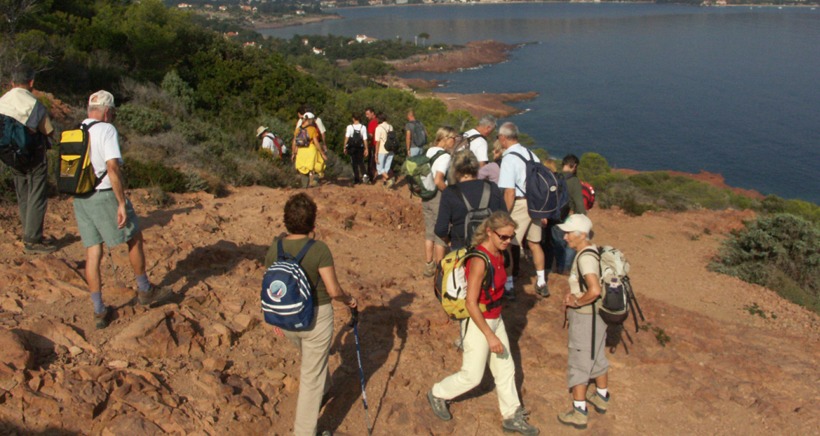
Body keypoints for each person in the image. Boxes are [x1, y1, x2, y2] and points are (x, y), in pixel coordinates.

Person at [427, 211, 539, 436]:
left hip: (495, 318)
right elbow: (470, 303)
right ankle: (438, 393)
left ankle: (511, 415)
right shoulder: (479, 260)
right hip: (479, 323)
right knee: (472, 375)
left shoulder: (499, 254)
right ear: (489, 232)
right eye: (503, 237)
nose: (508, 242)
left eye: (511, 237)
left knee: (506, 367)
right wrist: (489, 335)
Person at [73, 91, 174, 329]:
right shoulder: (106, 130)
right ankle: (145, 289)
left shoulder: (75, 130)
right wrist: (120, 202)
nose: (114, 116)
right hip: (104, 195)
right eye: (114, 112)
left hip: (80, 197)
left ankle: (99, 311)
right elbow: (112, 167)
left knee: (93, 252)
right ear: (107, 111)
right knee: (134, 238)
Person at [265, 192, 358, 436]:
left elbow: (272, 285)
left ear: (286, 220)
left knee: (312, 361)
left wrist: (275, 316)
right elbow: (332, 289)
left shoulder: (274, 248)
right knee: (310, 378)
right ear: (313, 223)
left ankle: (325, 386)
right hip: (315, 317)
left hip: (284, 318)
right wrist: (349, 300)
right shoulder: (319, 249)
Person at [557, 214, 609, 430]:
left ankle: (579, 412)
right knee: (597, 354)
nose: (565, 236)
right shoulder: (593, 251)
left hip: (586, 317)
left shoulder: (585, 257)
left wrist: (577, 302)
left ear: (582, 235)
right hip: (599, 316)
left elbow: (594, 289)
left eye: (569, 233)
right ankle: (601, 397)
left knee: (579, 361)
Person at [0, 68, 56, 254]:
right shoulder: (34, 104)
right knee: (36, 195)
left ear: (12, 83)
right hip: (33, 156)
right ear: (31, 82)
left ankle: (28, 232)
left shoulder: (2, 101)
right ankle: (33, 240)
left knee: (22, 193)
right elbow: (48, 131)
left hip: (9, 156)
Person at [497, 122, 549, 297]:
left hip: (520, 204)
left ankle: (509, 286)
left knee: (510, 245)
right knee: (535, 243)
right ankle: (541, 282)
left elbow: (509, 192)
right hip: (536, 203)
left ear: (503, 138)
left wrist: (503, 214)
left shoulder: (509, 158)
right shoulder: (531, 155)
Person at [435, 149, 506, 251]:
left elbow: (440, 229)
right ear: (476, 167)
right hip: (489, 249)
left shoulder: (450, 192)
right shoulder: (492, 187)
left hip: (461, 249)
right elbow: (504, 219)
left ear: (455, 170)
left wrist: (449, 241)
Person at [421, 127, 457, 277]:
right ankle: (440, 270)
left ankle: (429, 265)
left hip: (426, 195)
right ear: (445, 138)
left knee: (430, 231)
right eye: (453, 138)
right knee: (441, 232)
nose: (454, 141)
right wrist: (450, 194)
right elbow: (438, 180)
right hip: (438, 197)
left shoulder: (430, 151)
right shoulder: (444, 157)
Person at [551, 154, 587, 274]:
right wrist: (581, 220)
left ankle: (556, 267)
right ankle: (565, 269)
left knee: (557, 244)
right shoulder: (574, 181)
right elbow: (579, 204)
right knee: (570, 244)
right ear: (574, 166)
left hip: (551, 217)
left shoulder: (555, 176)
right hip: (564, 217)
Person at [292, 112, 327, 188]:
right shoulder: (312, 129)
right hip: (310, 149)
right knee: (318, 165)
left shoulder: (297, 130)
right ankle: (315, 181)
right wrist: (322, 153)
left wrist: (293, 153)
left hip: (301, 151)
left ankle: (305, 186)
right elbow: (316, 142)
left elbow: (294, 142)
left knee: (303, 170)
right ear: (310, 120)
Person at [343, 113, 369, 185]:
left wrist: (344, 147)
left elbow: (347, 138)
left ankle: (357, 179)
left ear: (353, 118)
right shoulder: (363, 127)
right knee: (361, 161)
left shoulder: (349, 127)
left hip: (352, 147)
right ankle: (364, 175)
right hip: (360, 147)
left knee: (354, 162)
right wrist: (366, 148)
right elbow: (365, 139)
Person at [373, 112, 395, 188]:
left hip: (382, 150)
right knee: (387, 168)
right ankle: (385, 184)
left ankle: (389, 179)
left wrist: (376, 154)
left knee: (379, 169)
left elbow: (377, 142)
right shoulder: (390, 126)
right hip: (391, 150)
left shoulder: (378, 128)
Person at [364, 107, 379, 183]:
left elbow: (370, 135)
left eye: (367, 114)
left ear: (372, 113)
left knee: (371, 163)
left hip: (373, 144)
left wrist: (364, 140)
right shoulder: (379, 121)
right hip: (381, 145)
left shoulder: (372, 122)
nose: (367, 116)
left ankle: (371, 179)